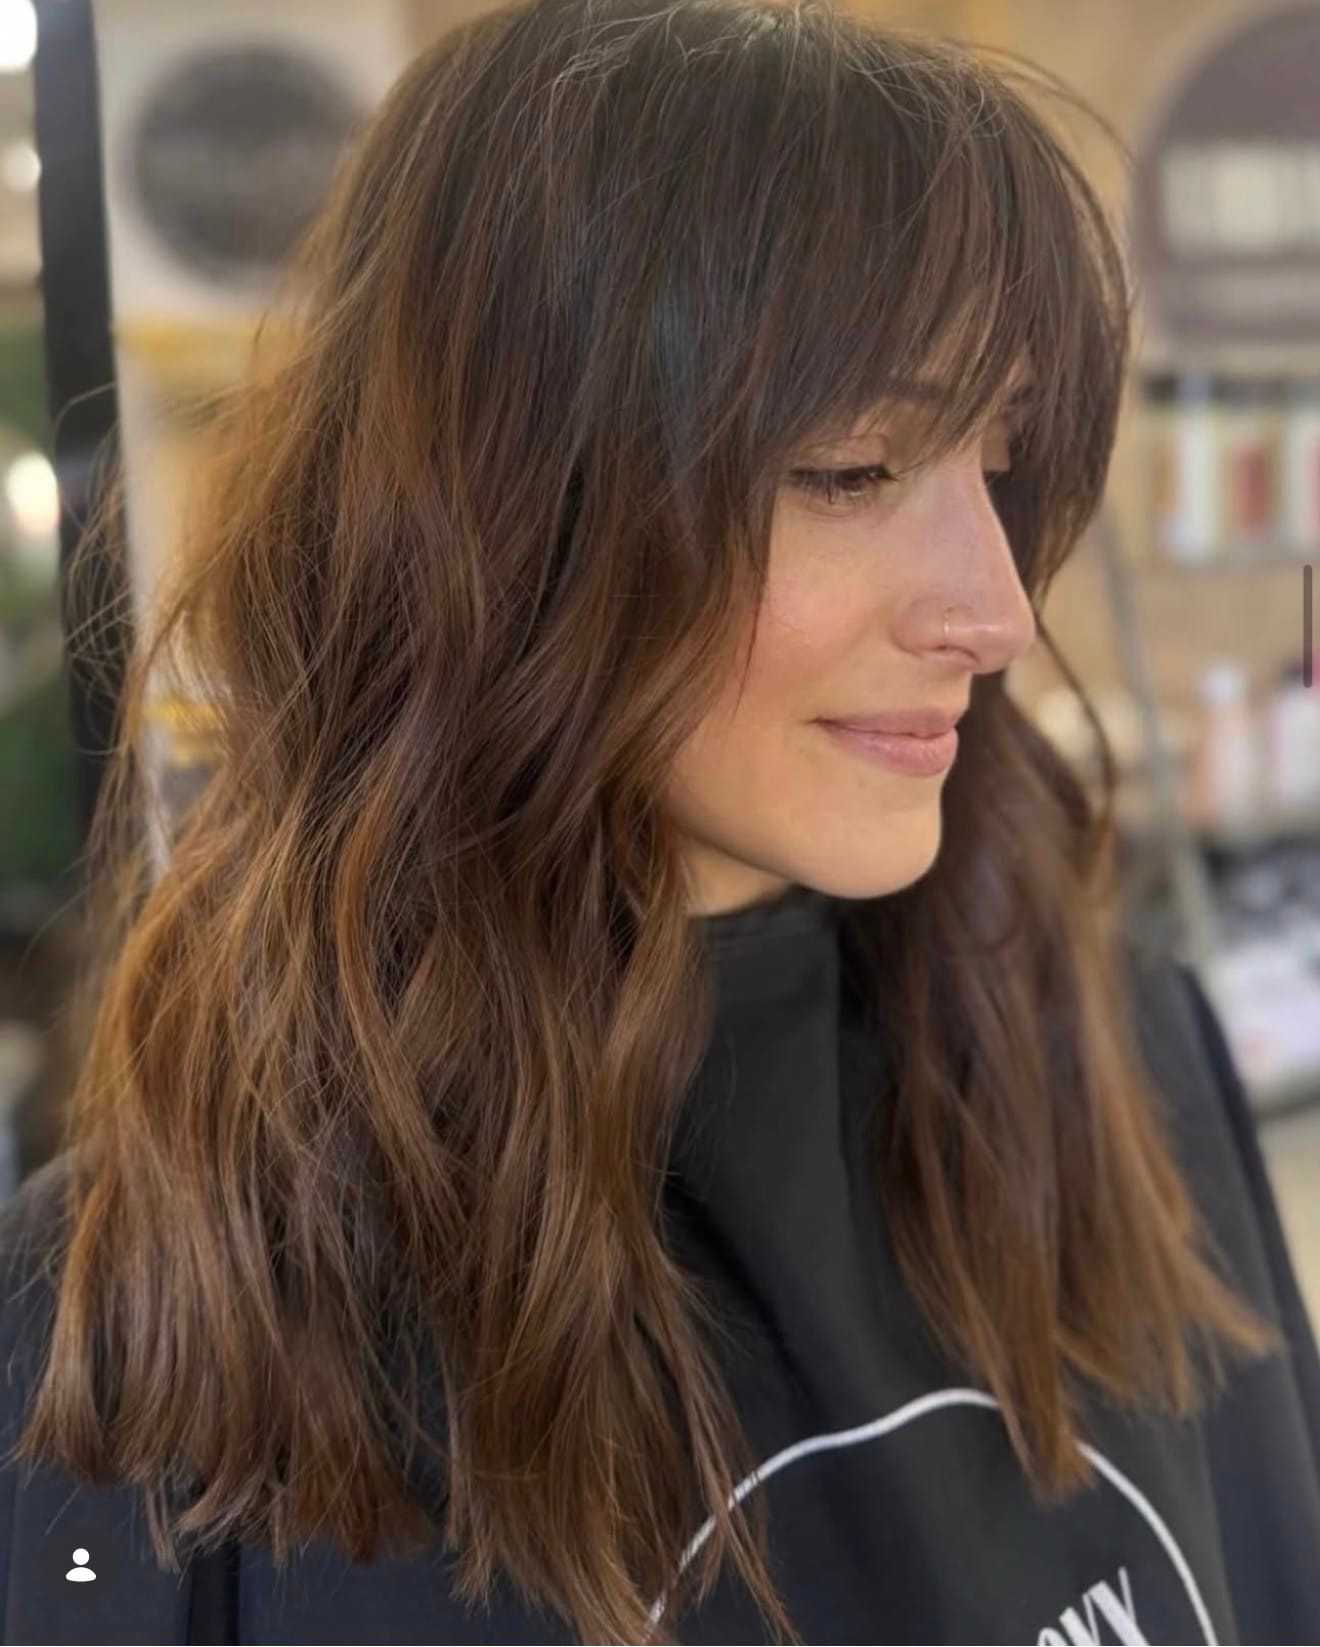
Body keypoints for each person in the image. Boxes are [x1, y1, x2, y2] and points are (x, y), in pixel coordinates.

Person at [4, 0, 1320, 1641]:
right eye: (848, 468)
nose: (994, 608)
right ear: (506, 510)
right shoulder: (160, 1330)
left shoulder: (1118, 1057)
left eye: (998, 460)